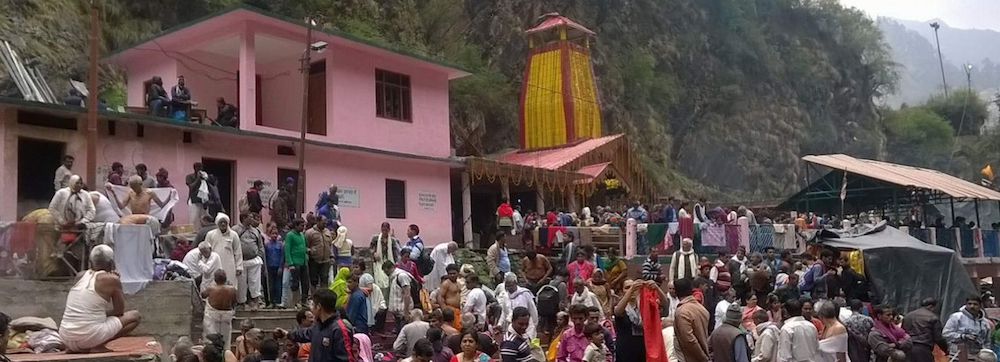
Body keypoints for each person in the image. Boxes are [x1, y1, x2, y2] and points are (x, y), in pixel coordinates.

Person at [58, 245, 142, 353]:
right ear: (111, 263)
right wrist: (116, 280)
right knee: (135, 316)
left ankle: (79, 347)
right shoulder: (112, 279)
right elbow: (119, 311)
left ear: (91, 263)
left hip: (66, 336)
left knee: (93, 321)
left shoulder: (80, 275)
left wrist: (94, 314)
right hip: (88, 337)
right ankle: (98, 345)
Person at [277, 289, 355, 362]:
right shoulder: (318, 326)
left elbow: (346, 359)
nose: (311, 309)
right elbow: (304, 334)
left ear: (318, 307)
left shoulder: (339, 329)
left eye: (313, 305)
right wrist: (287, 334)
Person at [233, 213, 265, 309]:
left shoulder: (256, 231)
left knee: (255, 282)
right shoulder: (235, 230)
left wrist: (259, 255)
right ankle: (241, 303)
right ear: (244, 218)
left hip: (254, 260)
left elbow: (260, 246)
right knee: (241, 283)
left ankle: (255, 302)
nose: (252, 220)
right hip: (241, 261)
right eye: (250, 217)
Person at [674, 277, 710, 362]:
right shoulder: (701, 308)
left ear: (676, 292)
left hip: (689, 358)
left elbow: (689, 339)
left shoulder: (682, 312)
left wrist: (703, 357)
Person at [904, 298, 950, 362]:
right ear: (931, 306)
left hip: (907, 348)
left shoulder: (908, 316)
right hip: (923, 349)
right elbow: (938, 338)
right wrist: (945, 349)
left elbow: (902, 332)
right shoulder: (933, 317)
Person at [202, 270, 237, 351]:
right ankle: (225, 353)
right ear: (225, 279)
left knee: (211, 337)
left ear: (215, 279)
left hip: (212, 315)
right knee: (226, 339)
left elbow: (203, 295)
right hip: (226, 314)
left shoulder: (211, 288)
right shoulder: (232, 289)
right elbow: (234, 302)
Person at [497, 273, 538, 338]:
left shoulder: (525, 294)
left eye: (511, 286)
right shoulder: (505, 296)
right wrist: (499, 324)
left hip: (528, 327)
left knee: (533, 345)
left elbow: (533, 310)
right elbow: (504, 313)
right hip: (513, 328)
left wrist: (534, 325)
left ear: (515, 283)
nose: (509, 288)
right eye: (507, 286)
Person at [285, 218, 310, 308]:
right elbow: (287, 249)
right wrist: (290, 263)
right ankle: (295, 301)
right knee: (295, 283)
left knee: (306, 282)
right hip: (295, 262)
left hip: (303, 262)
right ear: (296, 226)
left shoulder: (302, 235)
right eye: (301, 226)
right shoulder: (290, 235)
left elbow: (303, 247)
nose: (303, 227)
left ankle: (304, 300)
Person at [385, 261, 415, 334]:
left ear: (392, 268)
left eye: (387, 271)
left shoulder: (402, 276)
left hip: (403, 311)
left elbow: (407, 294)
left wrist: (406, 311)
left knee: (404, 333)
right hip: (397, 312)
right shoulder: (393, 277)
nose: (386, 274)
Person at [305, 217, 333, 290]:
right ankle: (314, 298)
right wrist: (310, 250)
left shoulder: (327, 232)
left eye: (325, 223)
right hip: (314, 260)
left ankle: (324, 298)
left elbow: (330, 245)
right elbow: (304, 246)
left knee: (325, 279)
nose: (325, 225)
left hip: (326, 260)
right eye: (323, 223)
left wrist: (331, 256)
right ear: (317, 221)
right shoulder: (309, 233)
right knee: (313, 280)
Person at [372, 222, 400, 290]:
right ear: (381, 229)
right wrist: (374, 253)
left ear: (389, 230)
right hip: (378, 261)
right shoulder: (376, 238)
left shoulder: (392, 240)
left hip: (389, 261)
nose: (384, 231)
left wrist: (396, 262)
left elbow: (395, 251)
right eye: (383, 229)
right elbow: (371, 248)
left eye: (386, 230)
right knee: (379, 279)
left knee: (388, 279)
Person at [439, 264, 463, 330]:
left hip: (458, 310)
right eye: (450, 274)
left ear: (458, 273)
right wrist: (444, 309)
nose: (452, 275)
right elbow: (440, 296)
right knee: (453, 328)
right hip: (450, 309)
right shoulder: (446, 283)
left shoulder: (458, 283)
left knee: (459, 328)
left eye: (454, 273)